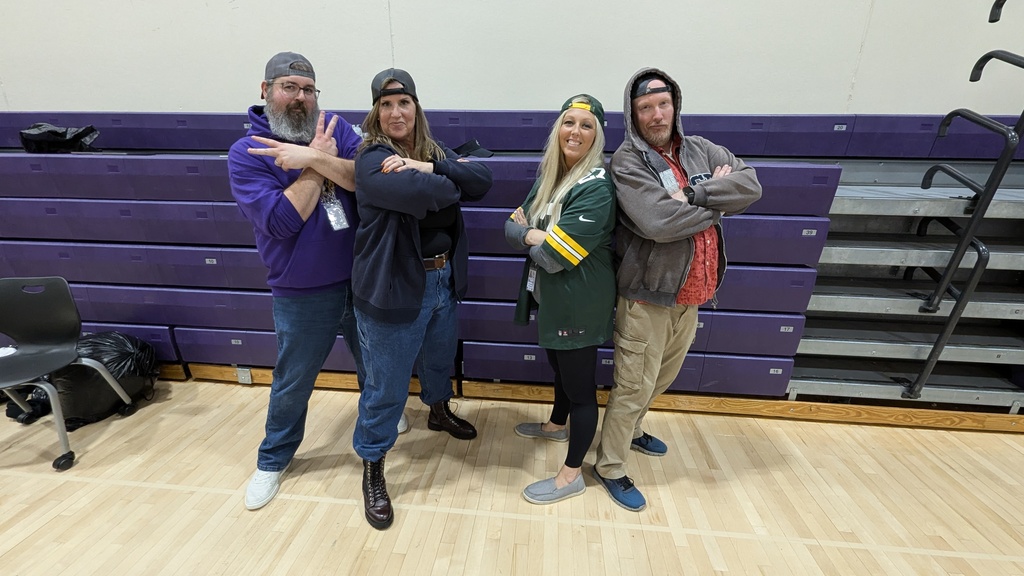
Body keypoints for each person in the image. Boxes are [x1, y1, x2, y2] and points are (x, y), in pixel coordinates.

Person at [592, 67, 762, 512]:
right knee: (632, 386)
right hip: (646, 297)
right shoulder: (628, 161)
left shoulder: (702, 149)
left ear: (675, 105)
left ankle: (632, 432)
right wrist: (718, 200)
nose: (656, 114)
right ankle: (609, 466)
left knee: (661, 379)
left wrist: (695, 194)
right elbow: (658, 223)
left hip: (691, 296)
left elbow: (750, 185)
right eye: (645, 107)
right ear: (633, 115)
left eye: (662, 104)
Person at [228, 52, 384, 512]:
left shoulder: (338, 127)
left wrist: (313, 155)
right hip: (301, 290)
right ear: (266, 90)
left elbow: (367, 182)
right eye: (289, 87)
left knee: (375, 365)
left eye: (308, 89)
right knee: (293, 380)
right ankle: (273, 459)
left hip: (362, 280)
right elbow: (280, 221)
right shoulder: (247, 152)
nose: (300, 98)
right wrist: (320, 165)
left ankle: (379, 428)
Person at [351, 68, 492, 529]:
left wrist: (428, 167)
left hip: (442, 280)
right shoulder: (371, 158)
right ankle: (373, 464)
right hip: (393, 286)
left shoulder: (432, 152)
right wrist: (445, 183)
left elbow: (482, 179)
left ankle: (437, 409)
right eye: (386, 105)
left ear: (416, 107)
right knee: (385, 386)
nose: (396, 112)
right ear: (376, 112)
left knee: (438, 357)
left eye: (403, 103)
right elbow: (435, 194)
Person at [504, 95, 616, 505]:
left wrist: (531, 234)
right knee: (559, 367)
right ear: (558, 130)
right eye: (569, 122)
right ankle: (556, 424)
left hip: (579, 301)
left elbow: (554, 257)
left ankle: (572, 476)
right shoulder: (552, 176)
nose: (576, 132)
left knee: (580, 386)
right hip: (553, 297)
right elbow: (510, 224)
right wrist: (531, 234)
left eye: (587, 126)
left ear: (597, 136)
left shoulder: (596, 187)